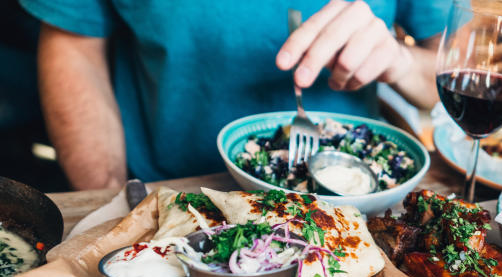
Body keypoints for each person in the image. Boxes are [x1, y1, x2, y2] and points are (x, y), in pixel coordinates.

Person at [18, 0, 450, 189]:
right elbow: (75, 47)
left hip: (357, 203)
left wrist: (401, 62)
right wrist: (112, 197)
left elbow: (458, 76)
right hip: (165, 190)